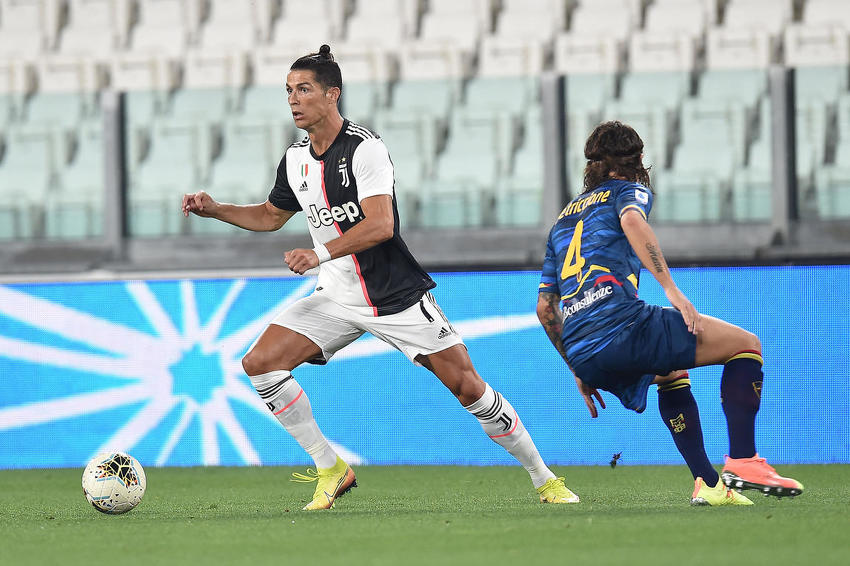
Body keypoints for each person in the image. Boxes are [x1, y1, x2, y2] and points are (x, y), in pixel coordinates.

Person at [182, 45, 577, 510]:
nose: (293, 99)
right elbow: (271, 216)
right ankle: (330, 468)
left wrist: (319, 252)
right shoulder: (294, 159)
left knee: (468, 387)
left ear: (333, 94)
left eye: (304, 89)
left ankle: (544, 478)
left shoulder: (365, 148)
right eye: (288, 91)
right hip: (336, 295)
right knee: (261, 363)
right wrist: (217, 210)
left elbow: (380, 224)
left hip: (394, 296)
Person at [536, 120, 804, 506]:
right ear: (639, 158)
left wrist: (577, 366)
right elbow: (631, 221)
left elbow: (546, 307)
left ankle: (708, 485)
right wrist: (672, 290)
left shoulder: (561, 222)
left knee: (671, 371)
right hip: (622, 327)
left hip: (582, 352)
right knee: (746, 346)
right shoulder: (628, 192)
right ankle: (744, 461)